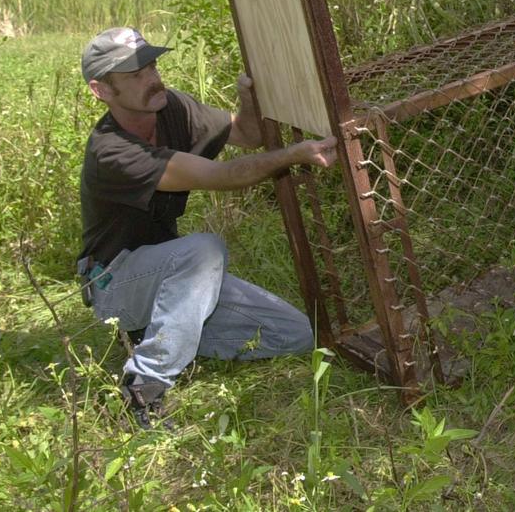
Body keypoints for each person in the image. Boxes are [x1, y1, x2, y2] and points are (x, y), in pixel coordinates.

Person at [76, 26, 336, 429]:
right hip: (113, 282)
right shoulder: (112, 151)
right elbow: (221, 176)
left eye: (152, 65)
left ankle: (164, 332)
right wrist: (294, 155)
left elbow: (247, 134)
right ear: (102, 90)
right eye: (135, 75)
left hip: (167, 276)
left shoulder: (171, 107)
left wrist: (249, 100)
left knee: (296, 333)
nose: (153, 78)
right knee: (204, 250)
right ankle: (143, 389)